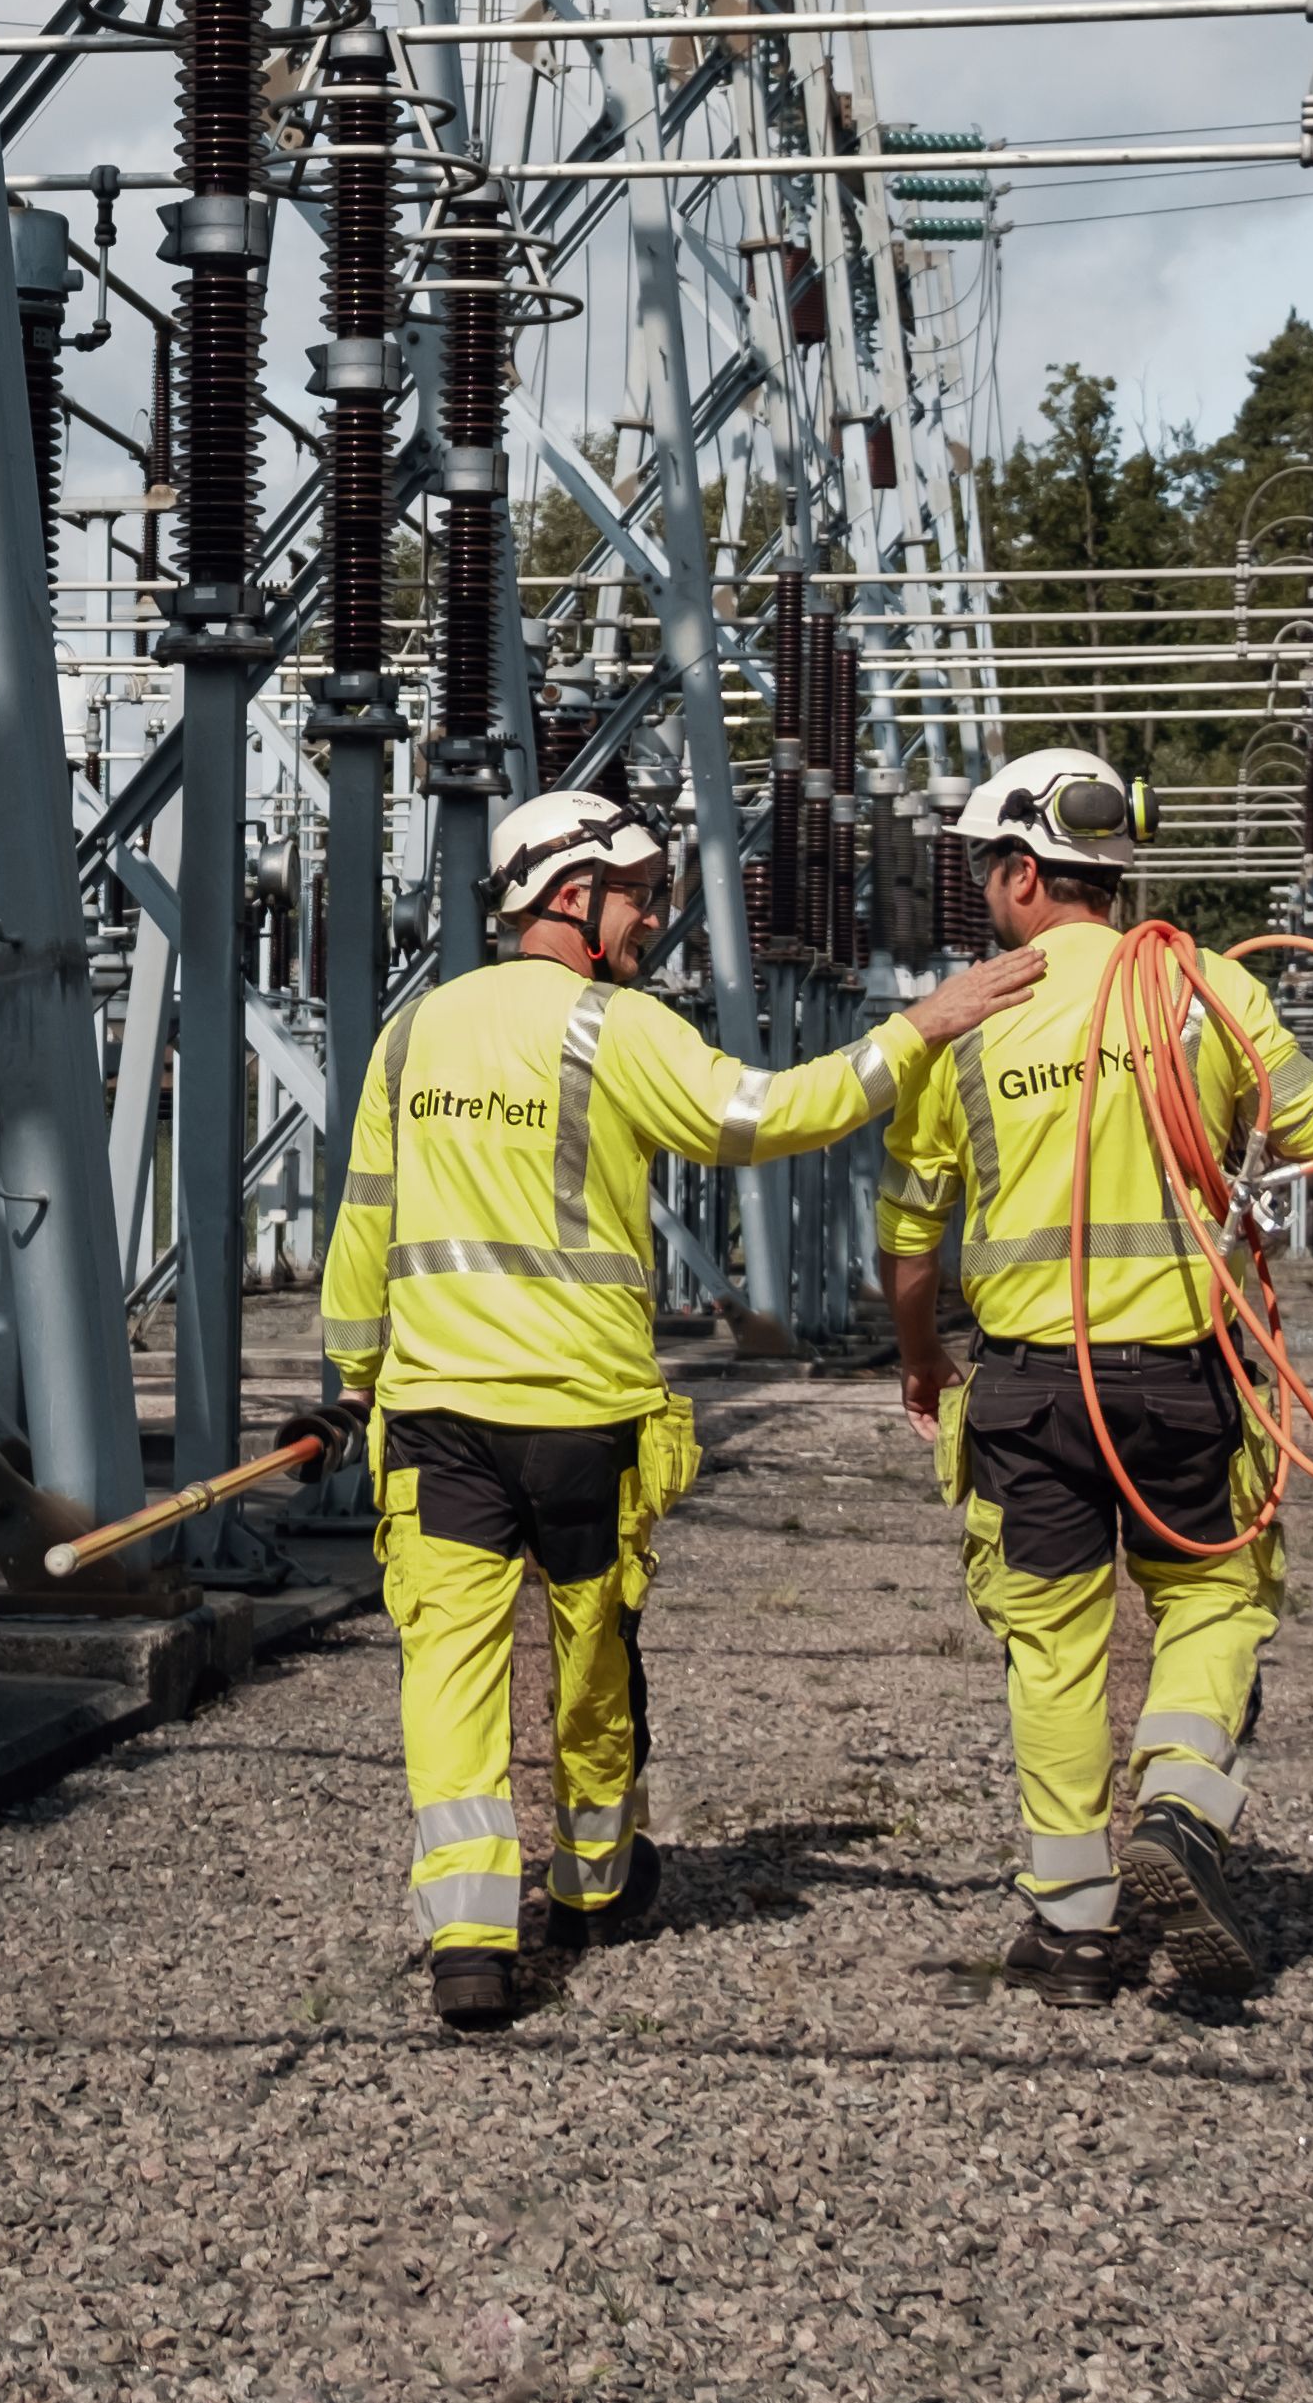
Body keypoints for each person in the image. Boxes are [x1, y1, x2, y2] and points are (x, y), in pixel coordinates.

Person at [283, 790, 1042, 2033]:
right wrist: (920, 1030)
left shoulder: (414, 1035)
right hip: (582, 1416)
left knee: (450, 1674)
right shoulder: (610, 1027)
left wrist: (353, 1377)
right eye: (637, 894)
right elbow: (766, 1114)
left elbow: (364, 1220)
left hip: (433, 1419)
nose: (652, 918)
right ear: (573, 898)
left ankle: (471, 1938)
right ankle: (593, 1880)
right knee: (592, 1657)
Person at [879, 745, 1313, 1998]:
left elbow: (911, 1230)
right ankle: (1177, 1810)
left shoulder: (970, 1018)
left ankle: (1074, 1929)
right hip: (1183, 1375)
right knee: (1214, 1600)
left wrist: (922, 1354)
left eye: (992, 869)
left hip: (1031, 1385)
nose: (989, 893)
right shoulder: (1201, 988)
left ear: (1028, 871)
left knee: (1051, 1648)